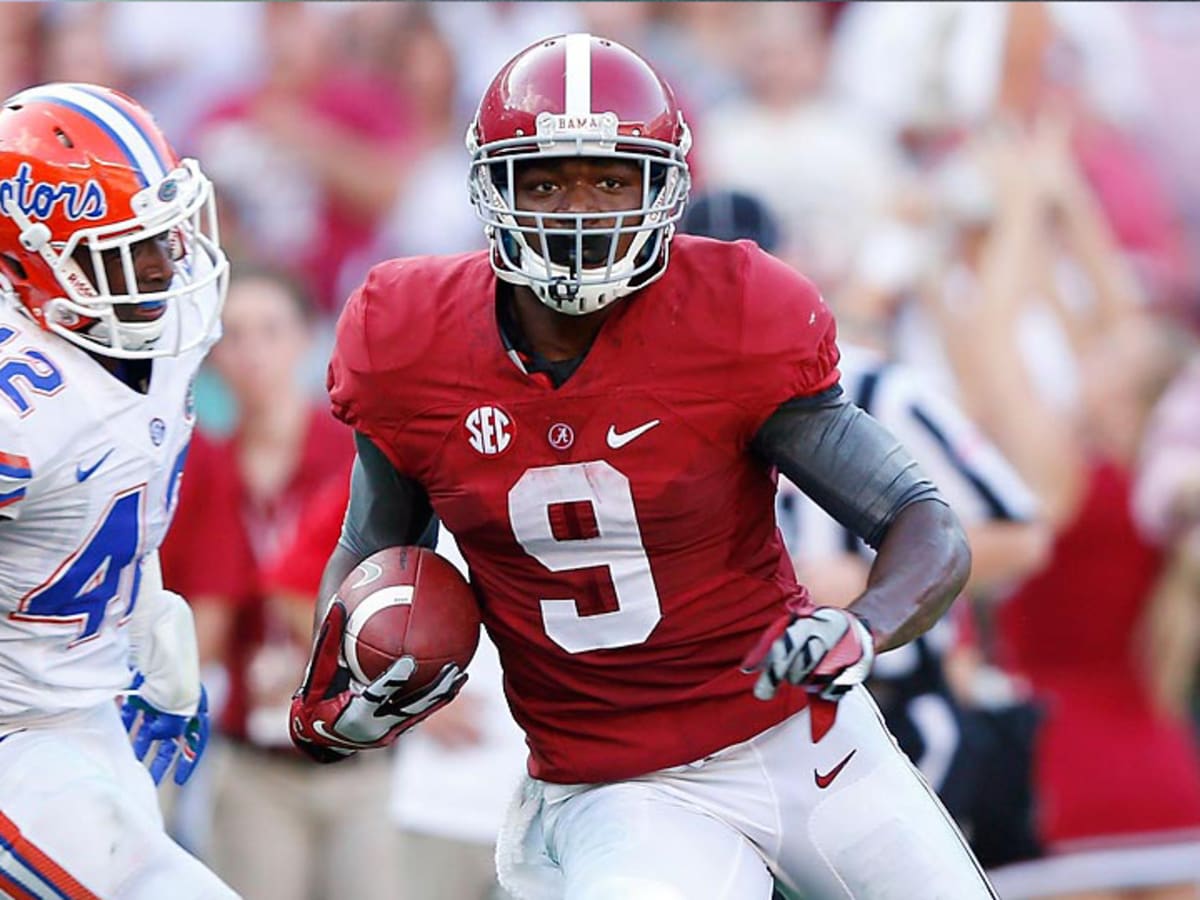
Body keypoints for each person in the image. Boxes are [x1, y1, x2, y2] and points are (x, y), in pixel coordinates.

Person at [289, 35, 995, 899]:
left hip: (802, 737)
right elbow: (377, 544)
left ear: (661, 188)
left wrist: (862, 625)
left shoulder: (735, 313)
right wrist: (345, 673)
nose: (579, 211)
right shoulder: (409, 337)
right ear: (491, 188)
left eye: (610, 180)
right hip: (614, 780)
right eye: (545, 181)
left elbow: (922, 519)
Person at [0, 83, 236, 898]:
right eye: (127, 250)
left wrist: (150, 622)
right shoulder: (19, 407)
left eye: (165, 235)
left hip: (91, 710)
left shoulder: (159, 333)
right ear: (31, 258)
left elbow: (107, 500)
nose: (165, 265)